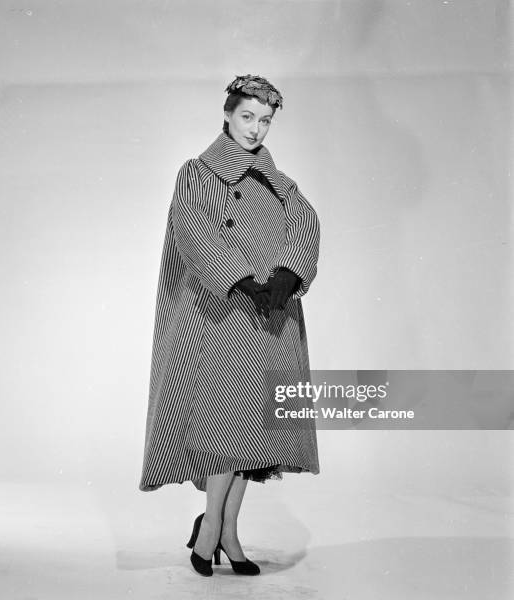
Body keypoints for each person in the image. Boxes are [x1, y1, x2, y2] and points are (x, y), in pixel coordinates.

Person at [139, 74, 320, 577]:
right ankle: (215, 531)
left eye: (264, 121)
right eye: (247, 117)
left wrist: (289, 273)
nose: (256, 129)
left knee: (252, 438)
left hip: (271, 322)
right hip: (222, 315)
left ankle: (223, 533)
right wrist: (240, 279)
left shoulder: (280, 182)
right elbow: (192, 229)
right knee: (227, 432)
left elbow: (307, 223)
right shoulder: (197, 172)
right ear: (227, 114)